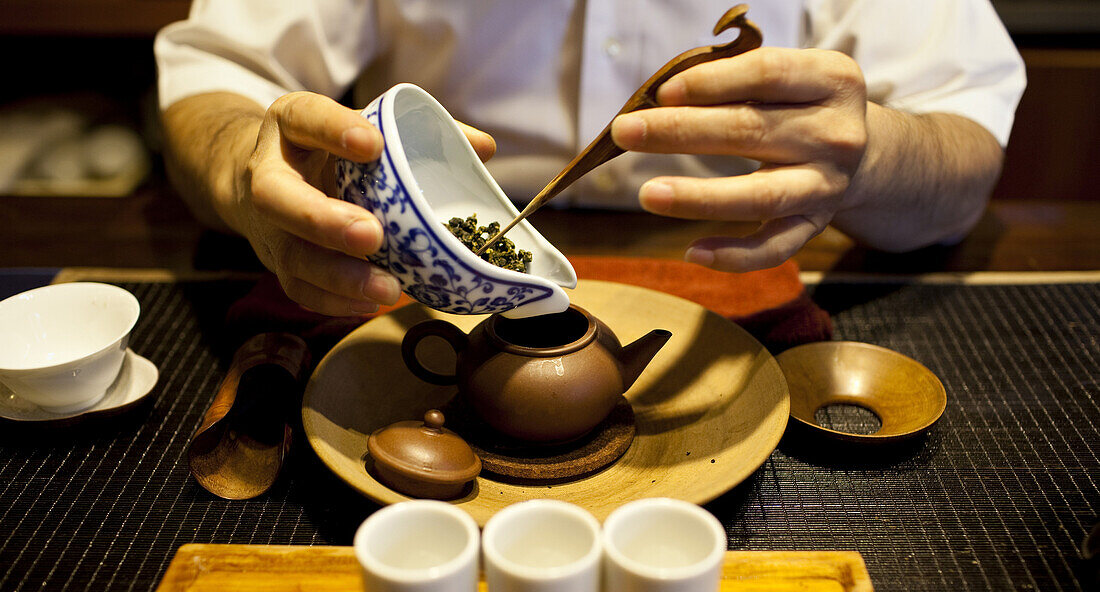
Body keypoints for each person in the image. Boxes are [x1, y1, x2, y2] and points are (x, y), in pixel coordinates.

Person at [154, 1, 1025, 317]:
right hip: (395, 300)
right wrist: (244, 167)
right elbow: (219, 71)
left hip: (742, 287)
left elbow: (964, 145)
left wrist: (872, 156)